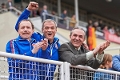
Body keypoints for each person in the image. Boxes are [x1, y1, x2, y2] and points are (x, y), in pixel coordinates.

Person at [14, 2, 60, 80]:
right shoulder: (36, 38)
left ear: (56, 30)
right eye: (46, 28)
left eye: (52, 28)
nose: (49, 30)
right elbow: (19, 26)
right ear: (42, 30)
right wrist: (28, 10)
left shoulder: (59, 46)